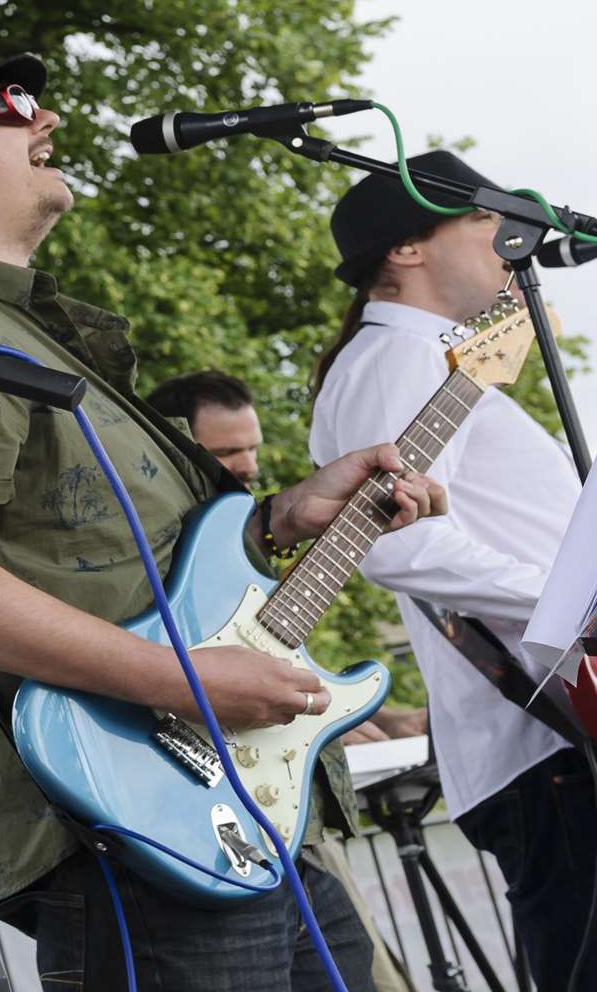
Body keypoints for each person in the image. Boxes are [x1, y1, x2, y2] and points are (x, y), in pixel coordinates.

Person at [0, 38, 446, 991]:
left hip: (228, 817)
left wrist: (279, 516)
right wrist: (180, 681)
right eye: (9, 105)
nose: (46, 118)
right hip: (132, 821)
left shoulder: (8, 325)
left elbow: (117, 557)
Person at [309, 150, 596, 990]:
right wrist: (572, 606)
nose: (506, 237)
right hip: (541, 741)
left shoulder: (425, 360)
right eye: (483, 218)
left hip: (548, 732)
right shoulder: (394, 360)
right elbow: (391, 543)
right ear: (407, 248)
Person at [148, 370, 422, 992]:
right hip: (195, 808)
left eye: (252, 448)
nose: (246, 465)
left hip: (293, 817)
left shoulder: (246, 535)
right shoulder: (162, 546)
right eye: (225, 453)